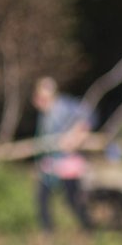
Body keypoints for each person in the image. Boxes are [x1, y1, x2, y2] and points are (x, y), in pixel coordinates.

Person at [33, 77, 94, 233]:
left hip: (68, 163)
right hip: (50, 164)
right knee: (42, 198)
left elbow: (86, 120)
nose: (40, 101)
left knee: (73, 199)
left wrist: (74, 138)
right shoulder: (45, 114)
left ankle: (88, 227)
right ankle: (47, 231)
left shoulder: (64, 106)